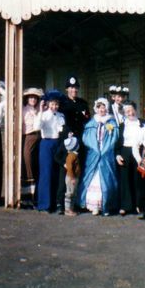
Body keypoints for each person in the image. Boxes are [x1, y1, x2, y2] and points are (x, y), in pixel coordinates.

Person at [78, 97, 119, 216]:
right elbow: (86, 138)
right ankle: (94, 206)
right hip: (94, 153)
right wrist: (95, 148)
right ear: (96, 108)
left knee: (106, 179)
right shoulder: (91, 123)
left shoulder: (111, 122)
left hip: (106, 153)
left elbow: (114, 138)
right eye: (100, 107)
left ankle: (105, 206)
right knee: (92, 177)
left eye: (104, 107)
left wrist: (105, 149)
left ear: (106, 108)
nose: (102, 110)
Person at [56, 76, 89, 213]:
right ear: (67, 89)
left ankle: (73, 203)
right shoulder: (62, 103)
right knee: (64, 172)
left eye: (75, 88)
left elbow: (87, 120)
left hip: (80, 141)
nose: (73, 90)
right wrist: (67, 135)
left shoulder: (83, 103)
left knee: (77, 171)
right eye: (71, 88)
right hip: (67, 141)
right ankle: (60, 203)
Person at [37, 91, 65, 212]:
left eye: (56, 104)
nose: (55, 107)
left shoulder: (60, 116)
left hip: (57, 143)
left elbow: (62, 129)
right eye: (52, 104)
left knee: (57, 173)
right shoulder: (43, 115)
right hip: (46, 143)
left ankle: (54, 203)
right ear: (48, 104)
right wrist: (40, 111)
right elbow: (37, 127)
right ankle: (44, 204)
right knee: (46, 173)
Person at [115, 100, 142, 216]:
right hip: (125, 152)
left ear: (135, 110)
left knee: (138, 179)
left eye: (131, 110)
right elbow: (118, 142)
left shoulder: (142, 123)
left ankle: (138, 205)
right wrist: (117, 154)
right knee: (124, 179)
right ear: (124, 113)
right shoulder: (122, 125)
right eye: (127, 111)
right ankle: (125, 206)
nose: (130, 113)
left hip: (138, 152)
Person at [21, 87, 43, 208]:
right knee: (27, 165)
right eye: (30, 97)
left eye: (35, 97)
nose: (33, 99)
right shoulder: (23, 110)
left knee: (36, 166)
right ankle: (26, 198)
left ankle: (35, 197)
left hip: (39, 138)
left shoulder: (40, 110)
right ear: (27, 98)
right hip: (28, 138)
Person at [62, 136, 82, 216]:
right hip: (71, 178)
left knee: (73, 193)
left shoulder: (74, 155)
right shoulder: (71, 156)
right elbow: (69, 168)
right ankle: (67, 209)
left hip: (74, 177)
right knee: (69, 193)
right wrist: (72, 177)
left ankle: (71, 208)